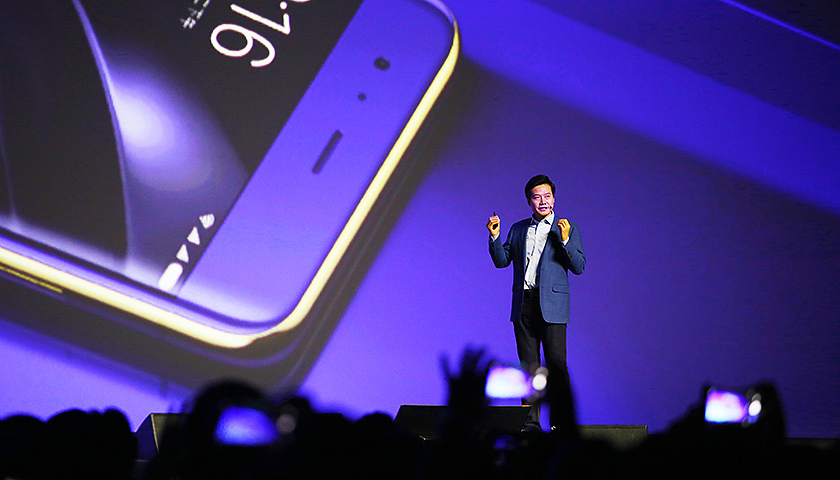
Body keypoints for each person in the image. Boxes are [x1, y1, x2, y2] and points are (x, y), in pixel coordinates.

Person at [487, 174, 586, 432]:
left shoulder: (567, 227)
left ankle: (561, 423)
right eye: (536, 197)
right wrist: (495, 237)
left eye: (547, 196)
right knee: (527, 367)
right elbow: (502, 261)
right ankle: (530, 423)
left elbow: (579, 267)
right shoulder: (519, 229)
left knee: (556, 365)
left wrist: (564, 240)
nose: (543, 201)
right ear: (529, 201)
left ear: (554, 199)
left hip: (553, 305)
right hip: (524, 304)